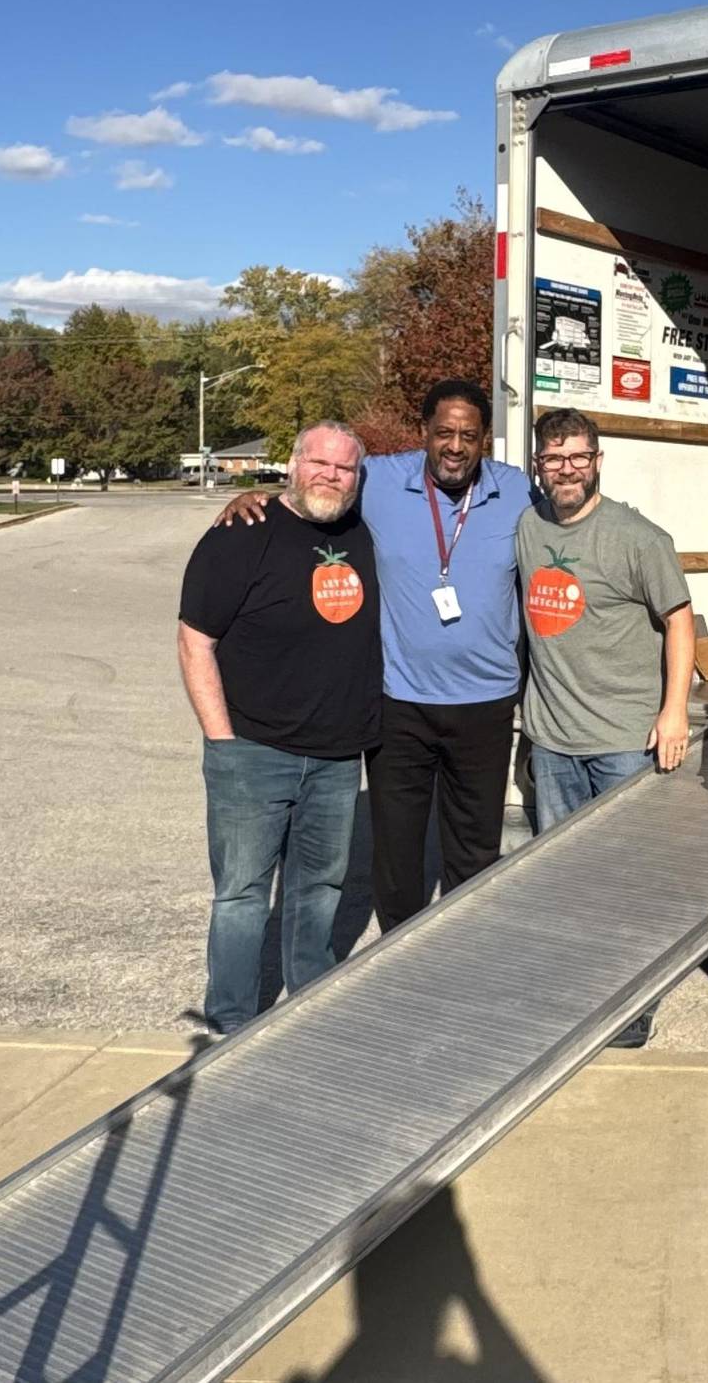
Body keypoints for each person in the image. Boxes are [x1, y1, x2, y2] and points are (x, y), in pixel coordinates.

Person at [217, 379, 538, 932]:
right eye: (444, 433)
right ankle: (401, 952)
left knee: (474, 844)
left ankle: (467, 945)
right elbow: (321, 489)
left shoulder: (518, 491)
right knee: (396, 846)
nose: (455, 446)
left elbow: (575, 526)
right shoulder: (382, 480)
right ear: (424, 434)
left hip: (485, 704)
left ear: (486, 438)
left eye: (468, 435)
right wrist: (261, 500)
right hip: (399, 702)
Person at [178, 421, 380, 1034]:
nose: (331, 475)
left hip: (338, 755)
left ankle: (309, 1003)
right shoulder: (242, 532)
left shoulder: (363, 528)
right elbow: (194, 640)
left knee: (319, 886)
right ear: (293, 465)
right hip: (251, 749)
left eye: (344, 468)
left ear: (358, 478)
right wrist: (221, 739)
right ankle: (229, 1021)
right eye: (319, 463)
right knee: (241, 894)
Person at [517, 408, 696, 1047]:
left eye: (577, 458)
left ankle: (630, 1008)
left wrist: (673, 711)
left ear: (597, 462)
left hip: (624, 739)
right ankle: (575, 992)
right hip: (552, 740)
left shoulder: (638, 537)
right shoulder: (527, 527)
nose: (566, 469)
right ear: (538, 465)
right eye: (553, 457)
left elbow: (680, 619)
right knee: (563, 878)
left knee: (626, 882)